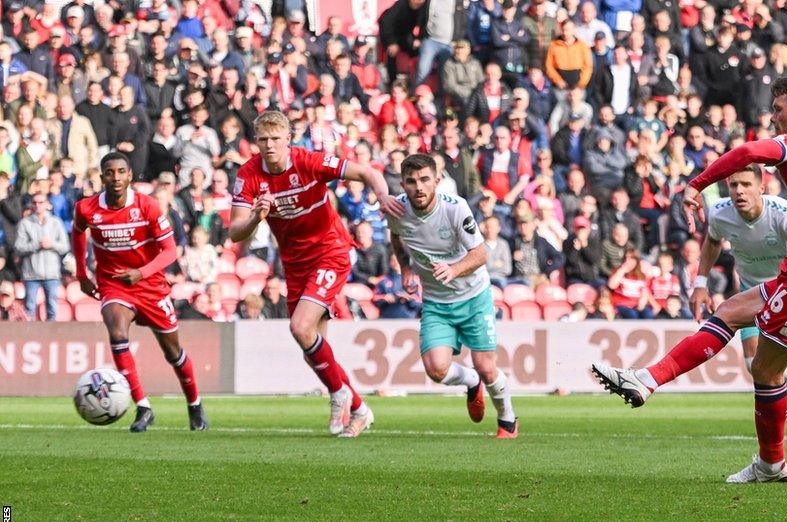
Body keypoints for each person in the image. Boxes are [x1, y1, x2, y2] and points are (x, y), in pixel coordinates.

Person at [591, 75, 787, 483]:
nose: (773, 118)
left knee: (733, 318)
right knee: (763, 365)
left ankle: (648, 381)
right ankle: (771, 465)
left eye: (779, 110)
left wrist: (697, 184)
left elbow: (750, 151)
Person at [229, 111, 397, 438]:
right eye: (263, 140)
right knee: (312, 348)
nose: (269, 146)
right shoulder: (248, 175)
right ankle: (360, 408)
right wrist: (256, 217)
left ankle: (339, 395)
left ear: (288, 140)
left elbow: (365, 171)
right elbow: (235, 231)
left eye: (276, 139)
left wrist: (384, 196)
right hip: (295, 263)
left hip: (330, 250)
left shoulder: (309, 161)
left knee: (299, 327)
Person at [72, 152, 208, 432]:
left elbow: (171, 251)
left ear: (130, 175)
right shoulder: (87, 208)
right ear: (102, 177)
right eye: (110, 173)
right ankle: (143, 406)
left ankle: (194, 403)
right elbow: (77, 232)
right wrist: (81, 274)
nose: (116, 178)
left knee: (173, 353)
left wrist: (142, 273)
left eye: (122, 172)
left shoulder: (148, 207)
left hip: (150, 286)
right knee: (118, 332)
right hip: (113, 283)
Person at [387, 153, 519, 438]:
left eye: (424, 180)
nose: (418, 187)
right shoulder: (396, 210)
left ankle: (507, 418)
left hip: (473, 296)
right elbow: (396, 237)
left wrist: (454, 269)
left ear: (437, 181)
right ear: (403, 184)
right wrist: (405, 267)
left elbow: (481, 253)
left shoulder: (456, 208)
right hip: (436, 302)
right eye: (411, 182)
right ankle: (471, 382)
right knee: (436, 370)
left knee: (486, 366)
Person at [691, 165, 787, 439]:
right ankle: (783, 384)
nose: (739, 191)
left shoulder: (785, 215)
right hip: (753, 290)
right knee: (755, 366)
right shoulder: (719, 212)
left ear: (761, 188)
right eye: (733, 185)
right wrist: (701, 283)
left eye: (746, 185)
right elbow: (713, 241)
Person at [14, 192, 69, 321]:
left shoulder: (56, 222)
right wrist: (36, 245)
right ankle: (29, 339)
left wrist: (52, 244)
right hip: (31, 274)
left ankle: (51, 338)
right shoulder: (25, 223)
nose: (38, 205)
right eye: (35, 203)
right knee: (29, 310)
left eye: (41, 202)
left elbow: (65, 247)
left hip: (52, 274)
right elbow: (18, 247)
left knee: (52, 309)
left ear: (47, 205)